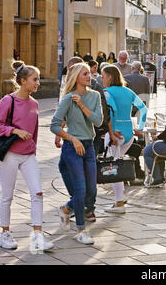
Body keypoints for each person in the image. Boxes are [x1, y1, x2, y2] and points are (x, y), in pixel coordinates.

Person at [0, 61, 54, 251]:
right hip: (9, 154)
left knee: (38, 193)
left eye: (39, 80)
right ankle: (5, 234)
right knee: (7, 196)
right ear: (23, 81)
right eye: (35, 80)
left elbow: (34, 130)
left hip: (28, 155)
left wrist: (32, 148)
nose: (38, 83)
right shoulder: (7, 101)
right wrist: (15, 131)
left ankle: (37, 236)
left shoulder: (34, 103)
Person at [51, 62, 103, 245]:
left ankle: (66, 209)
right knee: (80, 190)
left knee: (91, 191)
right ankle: (81, 230)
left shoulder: (95, 95)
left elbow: (98, 121)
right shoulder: (67, 98)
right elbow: (54, 125)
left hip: (89, 146)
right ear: (76, 78)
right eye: (85, 74)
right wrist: (72, 138)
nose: (89, 76)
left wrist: (82, 105)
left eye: (89, 73)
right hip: (72, 148)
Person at [102, 65, 148, 213]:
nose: (102, 79)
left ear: (109, 77)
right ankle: (119, 199)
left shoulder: (107, 92)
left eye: (103, 76)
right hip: (129, 131)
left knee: (113, 167)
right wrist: (140, 127)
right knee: (117, 163)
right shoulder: (128, 91)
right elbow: (143, 109)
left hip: (117, 131)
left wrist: (112, 130)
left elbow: (112, 110)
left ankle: (119, 202)